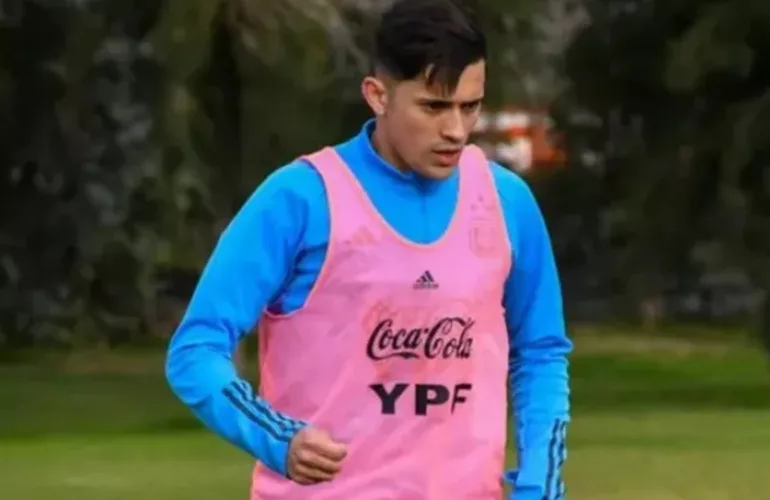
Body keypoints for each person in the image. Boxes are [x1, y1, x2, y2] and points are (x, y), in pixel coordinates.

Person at [165, 0, 572, 498]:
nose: (456, 130)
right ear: (378, 96)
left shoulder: (507, 201)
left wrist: (540, 483)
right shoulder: (299, 199)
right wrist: (278, 439)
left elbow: (541, 350)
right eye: (433, 106)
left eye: (471, 106)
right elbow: (195, 350)